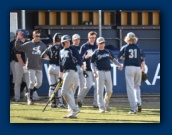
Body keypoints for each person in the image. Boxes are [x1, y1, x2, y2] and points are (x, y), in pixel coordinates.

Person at [90, 37, 123, 113]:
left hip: (108, 72)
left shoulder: (108, 51)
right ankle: (101, 107)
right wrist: (94, 72)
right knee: (100, 91)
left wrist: (119, 65)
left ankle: (106, 104)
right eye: (100, 43)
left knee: (109, 91)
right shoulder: (95, 52)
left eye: (103, 43)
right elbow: (92, 63)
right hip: (99, 72)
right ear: (97, 44)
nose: (102, 44)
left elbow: (113, 60)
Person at [15, 30, 47, 105]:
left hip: (39, 67)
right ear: (33, 36)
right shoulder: (28, 44)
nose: (38, 37)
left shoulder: (42, 45)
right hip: (30, 66)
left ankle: (29, 93)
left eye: (39, 36)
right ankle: (30, 99)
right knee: (32, 82)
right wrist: (18, 39)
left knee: (39, 83)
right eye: (37, 36)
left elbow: (46, 53)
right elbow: (18, 48)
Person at [118, 32, 145, 114]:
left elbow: (119, 58)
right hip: (138, 68)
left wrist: (120, 63)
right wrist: (143, 67)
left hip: (129, 68)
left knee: (130, 88)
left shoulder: (125, 47)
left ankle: (133, 108)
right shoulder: (138, 47)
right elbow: (142, 58)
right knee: (137, 87)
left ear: (127, 39)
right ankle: (139, 102)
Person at [59, 35, 85, 118]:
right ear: (63, 43)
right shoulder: (61, 51)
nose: (68, 43)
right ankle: (72, 112)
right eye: (66, 42)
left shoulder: (72, 49)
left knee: (64, 91)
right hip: (65, 72)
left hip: (71, 71)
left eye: (69, 41)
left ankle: (74, 109)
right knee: (69, 92)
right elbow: (61, 65)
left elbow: (79, 59)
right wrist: (60, 76)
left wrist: (83, 70)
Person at [41, 33, 66, 108]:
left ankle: (53, 103)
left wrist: (50, 58)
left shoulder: (50, 47)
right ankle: (61, 103)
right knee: (59, 86)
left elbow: (42, 56)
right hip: (59, 68)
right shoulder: (62, 48)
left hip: (51, 67)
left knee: (52, 86)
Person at [77, 31, 98, 108]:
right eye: (91, 37)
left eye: (94, 37)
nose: (93, 39)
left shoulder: (97, 46)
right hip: (88, 68)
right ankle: (79, 99)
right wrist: (85, 57)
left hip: (96, 68)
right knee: (88, 86)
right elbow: (79, 58)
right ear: (88, 37)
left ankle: (96, 103)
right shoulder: (84, 46)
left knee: (97, 87)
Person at [71, 34, 85, 98]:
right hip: (74, 67)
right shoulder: (70, 48)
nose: (77, 41)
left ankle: (79, 99)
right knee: (75, 84)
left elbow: (82, 58)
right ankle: (71, 97)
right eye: (76, 40)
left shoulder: (81, 48)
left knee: (82, 84)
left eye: (78, 39)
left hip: (81, 66)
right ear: (73, 40)